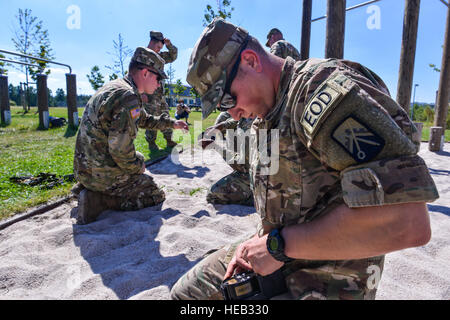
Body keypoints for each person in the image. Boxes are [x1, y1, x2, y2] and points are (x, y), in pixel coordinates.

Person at [170, 18, 439, 300]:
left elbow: (407, 222)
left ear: (250, 60)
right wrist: (257, 244)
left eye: (228, 100)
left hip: (330, 274)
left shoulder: (320, 94)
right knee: (185, 296)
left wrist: (278, 246)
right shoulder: (268, 113)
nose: (233, 113)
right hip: (280, 252)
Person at [73, 47, 188, 225]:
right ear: (144, 73)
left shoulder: (117, 88)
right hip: (101, 173)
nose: (159, 84)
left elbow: (144, 119)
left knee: (139, 158)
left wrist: (172, 123)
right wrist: (136, 167)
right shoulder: (128, 97)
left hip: (84, 169)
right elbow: (119, 149)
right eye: (158, 78)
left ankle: (88, 187)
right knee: (153, 193)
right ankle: (100, 200)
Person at [199, 111, 254, 206]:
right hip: (256, 168)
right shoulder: (254, 112)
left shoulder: (253, 128)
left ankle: (254, 198)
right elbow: (239, 120)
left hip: (257, 176)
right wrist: (219, 126)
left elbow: (242, 165)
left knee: (213, 195)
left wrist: (215, 146)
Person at [144, 31, 179, 151]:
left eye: (161, 47)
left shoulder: (160, 56)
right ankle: (151, 143)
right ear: (152, 42)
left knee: (165, 116)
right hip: (148, 95)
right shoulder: (143, 55)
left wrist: (169, 45)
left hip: (160, 94)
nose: (159, 49)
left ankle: (169, 140)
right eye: (158, 47)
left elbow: (173, 56)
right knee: (151, 118)